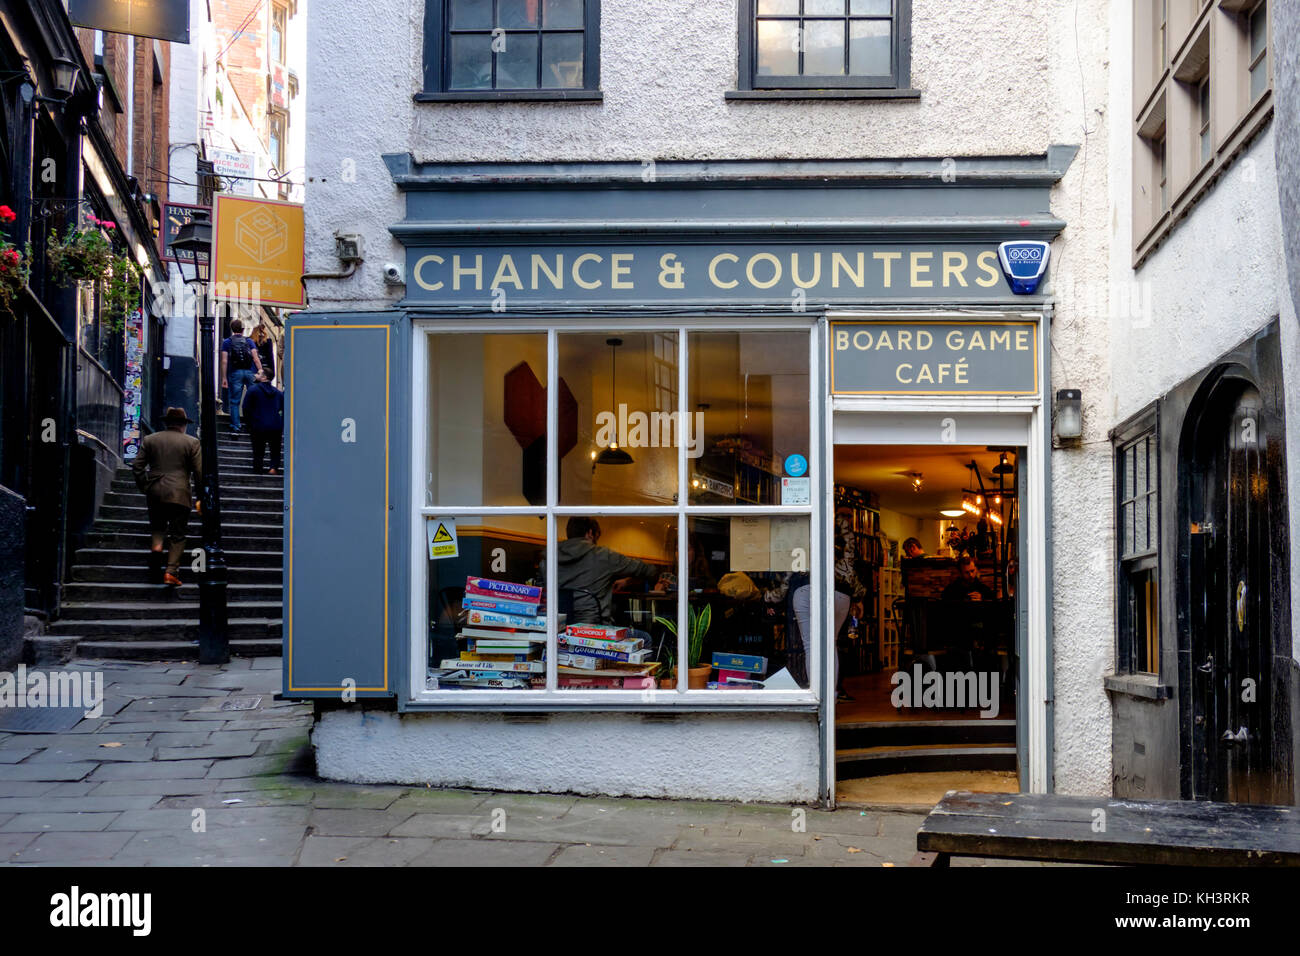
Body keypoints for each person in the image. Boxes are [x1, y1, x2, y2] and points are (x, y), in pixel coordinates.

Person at [132, 407, 202, 587]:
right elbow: (199, 472)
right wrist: (201, 497)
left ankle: (156, 553)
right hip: (180, 492)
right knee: (178, 534)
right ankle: (171, 572)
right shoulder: (192, 442)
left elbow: (137, 466)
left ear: (167, 423)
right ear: (184, 425)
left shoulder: (150, 439)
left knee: (157, 527)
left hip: (155, 491)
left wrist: (145, 486)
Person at [554, 517, 661, 626]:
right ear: (590, 533)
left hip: (558, 628)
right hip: (595, 631)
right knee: (646, 638)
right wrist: (632, 581)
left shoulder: (549, 557)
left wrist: (624, 581)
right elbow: (649, 570)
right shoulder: (602, 556)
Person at [220, 318, 263, 433]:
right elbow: (255, 357)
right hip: (249, 372)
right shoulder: (249, 341)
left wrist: (224, 377)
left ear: (232, 329)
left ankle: (236, 426)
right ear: (243, 329)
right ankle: (254, 424)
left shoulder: (227, 342)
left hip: (235, 373)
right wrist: (260, 371)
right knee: (253, 398)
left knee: (235, 401)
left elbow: (224, 361)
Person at [240, 370, 284, 474]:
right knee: (275, 449)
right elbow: (283, 409)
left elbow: (245, 408)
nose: (255, 375)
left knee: (258, 450)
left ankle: (258, 469)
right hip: (275, 426)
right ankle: (273, 468)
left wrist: (249, 423)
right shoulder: (278, 393)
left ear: (264, 377)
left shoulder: (252, 390)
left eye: (259, 374)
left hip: (258, 425)